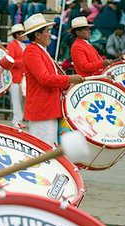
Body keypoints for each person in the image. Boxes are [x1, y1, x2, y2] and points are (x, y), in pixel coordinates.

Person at [22, 13, 84, 146]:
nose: (50, 34)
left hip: (49, 108)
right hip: (42, 109)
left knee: (50, 148)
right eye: (47, 31)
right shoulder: (32, 51)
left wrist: (67, 84)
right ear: (37, 35)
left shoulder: (41, 50)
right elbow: (44, 79)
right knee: (44, 150)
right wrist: (69, 79)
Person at [7, 24, 26, 127]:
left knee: (21, 100)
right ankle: (16, 120)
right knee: (16, 101)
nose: (23, 35)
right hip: (15, 77)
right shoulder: (12, 45)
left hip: (22, 78)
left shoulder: (23, 45)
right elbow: (11, 60)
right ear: (16, 35)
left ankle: (20, 120)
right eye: (21, 33)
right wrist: (24, 62)